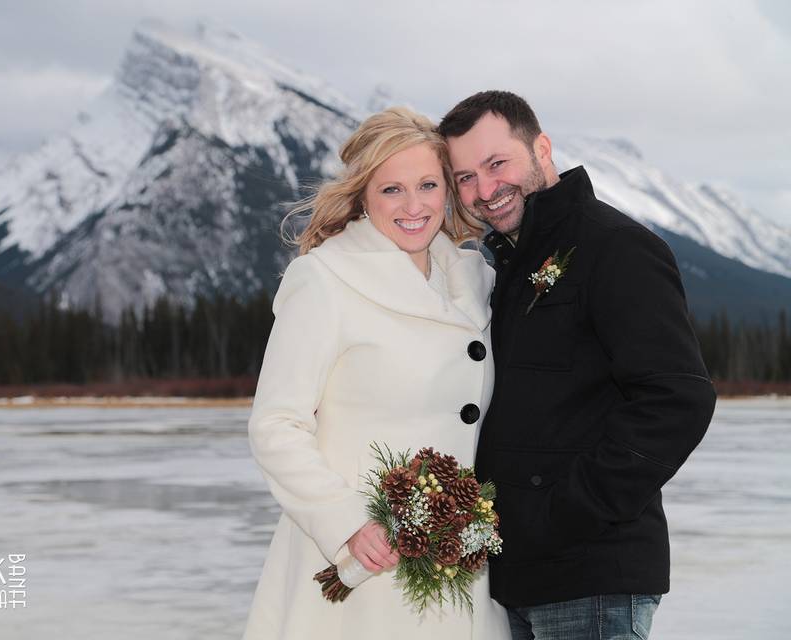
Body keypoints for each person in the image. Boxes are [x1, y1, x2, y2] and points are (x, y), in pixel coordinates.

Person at [438, 90, 717, 640]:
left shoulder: (614, 247)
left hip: (592, 578)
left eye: (497, 164)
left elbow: (678, 398)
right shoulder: (508, 265)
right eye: (465, 177)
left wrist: (563, 514)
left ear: (541, 148)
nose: (485, 190)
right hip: (513, 579)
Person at [242, 107, 511, 639]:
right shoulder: (324, 279)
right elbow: (275, 425)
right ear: (364, 195)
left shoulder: (474, 278)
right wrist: (344, 523)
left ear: (448, 191)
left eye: (428, 185)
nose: (414, 207)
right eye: (392, 190)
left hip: (459, 567)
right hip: (365, 561)